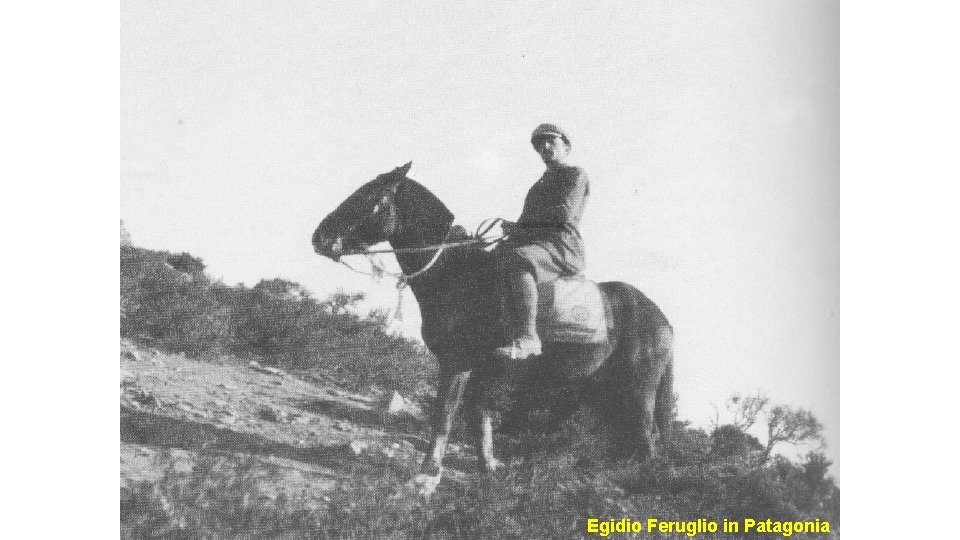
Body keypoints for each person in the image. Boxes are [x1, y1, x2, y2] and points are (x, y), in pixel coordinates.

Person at [493, 123, 590, 360]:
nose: (545, 147)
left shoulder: (575, 175)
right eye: (540, 145)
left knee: (519, 258)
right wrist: (513, 229)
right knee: (493, 257)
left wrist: (522, 227)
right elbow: (526, 223)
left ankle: (528, 339)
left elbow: (563, 215)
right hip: (538, 246)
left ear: (566, 146)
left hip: (562, 247)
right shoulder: (537, 187)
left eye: (551, 141)